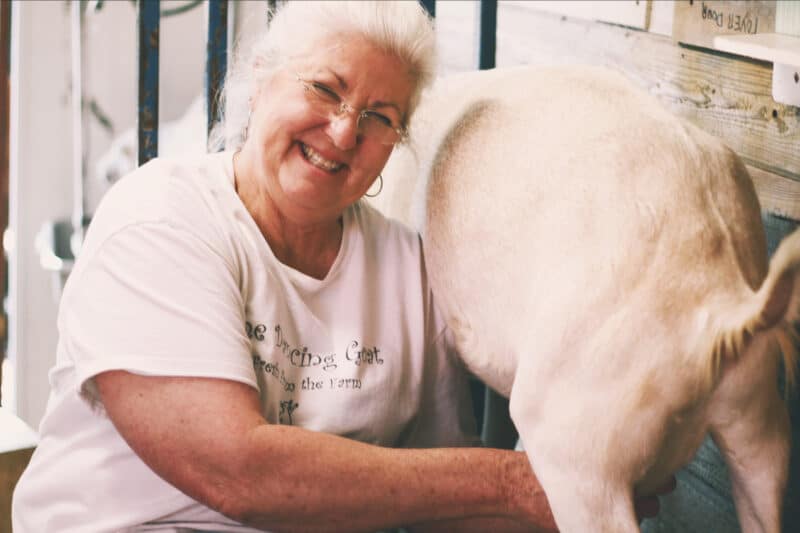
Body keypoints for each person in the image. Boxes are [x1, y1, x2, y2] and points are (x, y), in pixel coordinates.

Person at [12, 2, 671, 531]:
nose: (344, 133)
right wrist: (521, 483)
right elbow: (238, 473)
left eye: (380, 117)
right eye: (325, 89)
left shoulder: (409, 271)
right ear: (262, 77)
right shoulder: (161, 219)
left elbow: (443, 497)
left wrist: (589, 490)